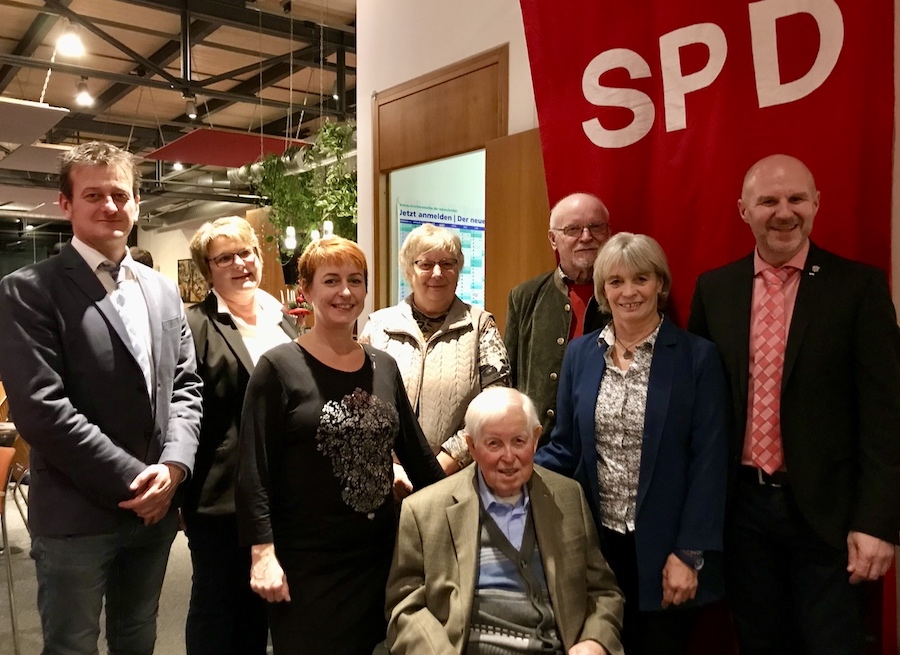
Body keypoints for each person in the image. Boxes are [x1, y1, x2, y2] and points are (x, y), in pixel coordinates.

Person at [688, 154, 900, 655]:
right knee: (760, 643)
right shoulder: (715, 289)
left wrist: (877, 522)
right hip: (740, 513)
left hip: (829, 518)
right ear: (744, 210)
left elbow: (886, 415)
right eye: (768, 201)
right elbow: (700, 411)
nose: (784, 212)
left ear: (816, 204)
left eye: (796, 199)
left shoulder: (859, 287)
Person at [0, 141, 203, 654]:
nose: (110, 206)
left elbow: (185, 386)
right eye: (94, 194)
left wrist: (174, 468)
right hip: (76, 514)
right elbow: (41, 408)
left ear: (138, 203)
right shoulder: (29, 290)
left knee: (138, 637)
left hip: (155, 512)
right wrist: (138, 479)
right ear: (65, 204)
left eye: (121, 194)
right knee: (72, 644)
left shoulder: (161, 290)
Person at [235, 236, 445, 655]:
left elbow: (418, 454)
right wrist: (262, 553)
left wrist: (468, 508)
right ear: (306, 292)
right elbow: (253, 471)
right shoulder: (278, 368)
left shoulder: (382, 365)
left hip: (380, 555)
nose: (345, 292)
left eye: (355, 280)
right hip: (308, 563)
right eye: (331, 280)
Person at [535, 233, 728, 655]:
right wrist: (508, 470)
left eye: (641, 278)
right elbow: (566, 447)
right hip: (596, 548)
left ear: (660, 284)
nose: (628, 291)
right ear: (603, 290)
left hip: (667, 553)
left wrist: (689, 554)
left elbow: (710, 463)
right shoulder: (581, 355)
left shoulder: (697, 358)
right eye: (616, 281)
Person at [386, 386, 624, 655]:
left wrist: (594, 642)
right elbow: (404, 606)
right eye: (494, 444)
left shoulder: (569, 498)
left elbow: (603, 592)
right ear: (472, 447)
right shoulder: (424, 511)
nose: (509, 457)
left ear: (535, 440)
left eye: (519, 441)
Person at [183, 216, 297, 655]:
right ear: (208, 269)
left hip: (283, 492)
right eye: (224, 257)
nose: (240, 264)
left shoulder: (284, 320)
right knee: (217, 608)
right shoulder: (194, 325)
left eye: (246, 253)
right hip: (221, 497)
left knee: (262, 608)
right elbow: (186, 412)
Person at [359, 223, 510, 480]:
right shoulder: (378, 326)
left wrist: (444, 464)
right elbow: (357, 399)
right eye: (426, 264)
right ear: (409, 270)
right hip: (383, 479)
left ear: (458, 269)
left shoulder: (481, 326)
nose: (437, 273)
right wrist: (390, 468)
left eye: (447, 264)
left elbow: (496, 405)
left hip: (454, 480)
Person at [505, 193, 612, 443]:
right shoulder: (524, 296)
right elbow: (508, 378)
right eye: (573, 229)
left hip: (604, 447)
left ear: (608, 233)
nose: (586, 237)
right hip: (540, 445)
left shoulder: (627, 297)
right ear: (554, 239)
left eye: (595, 227)